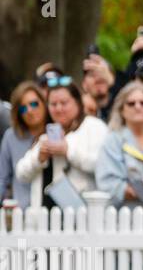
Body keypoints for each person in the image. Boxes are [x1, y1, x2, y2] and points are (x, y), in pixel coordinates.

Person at [16, 77, 109, 205]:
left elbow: (104, 166)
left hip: (82, 215)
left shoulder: (93, 127)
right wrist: (39, 158)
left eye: (64, 103)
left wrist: (68, 151)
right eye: (53, 104)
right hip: (44, 217)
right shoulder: (46, 134)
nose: (58, 109)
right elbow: (21, 174)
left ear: (77, 102)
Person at [0, 83, 47, 209]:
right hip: (20, 213)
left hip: (51, 211)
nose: (30, 111)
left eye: (34, 104)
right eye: (23, 108)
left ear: (44, 102)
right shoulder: (11, 136)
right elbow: (2, 177)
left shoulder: (55, 131)